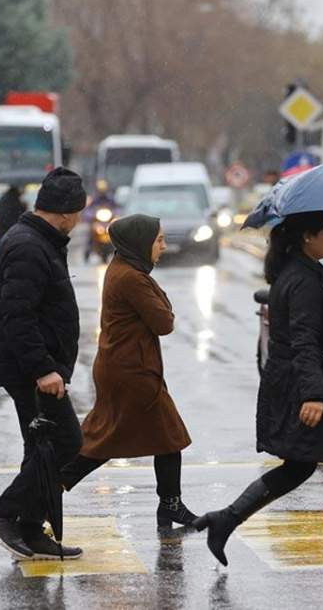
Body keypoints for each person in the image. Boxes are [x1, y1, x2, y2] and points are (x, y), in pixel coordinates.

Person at [194, 210, 323, 572]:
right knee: (309, 463)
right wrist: (313, 395)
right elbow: (303, 341)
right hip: (310, 387)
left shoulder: (308, 275)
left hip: (320, 384)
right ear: (306, 238)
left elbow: (318, 326)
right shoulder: (302, 280)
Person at [58, 214, 197, 528]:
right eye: (158, 240)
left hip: (129, 367)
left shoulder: (126, 269)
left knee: (167, 437)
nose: (163, 246)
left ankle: (170, 504)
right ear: (140, 242)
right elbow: (164, 323)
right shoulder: (132, 277)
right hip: (131, 371)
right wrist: (163, 301)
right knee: (105, 442)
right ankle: (50, 488)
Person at [0, 166, 87, 561]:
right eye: (78, 212)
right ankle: (3, 512)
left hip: (37, 366)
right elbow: (17, 315)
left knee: (40, 450)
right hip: (32, 371)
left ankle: (30, 527)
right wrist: (43, 368)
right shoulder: (28, 246)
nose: (79, 221)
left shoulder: (38, 240)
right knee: (67, 442)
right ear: (65, 213)